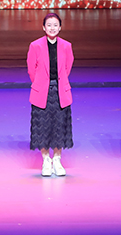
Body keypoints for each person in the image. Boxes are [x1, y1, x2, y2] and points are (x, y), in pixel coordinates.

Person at [27, 12, 74, 177]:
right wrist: (41, 84)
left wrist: (59, 83)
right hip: (42, 92)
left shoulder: (66, 46)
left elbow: (67, 67)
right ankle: (46, 160)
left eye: (55, 25)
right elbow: (31, 69)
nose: (52, 28)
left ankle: (57, 160)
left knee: (59, 127)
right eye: (49, 25)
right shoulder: (35, 46)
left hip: (60, 91)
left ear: (60, 27)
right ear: (43, 27)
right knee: (43, 126)